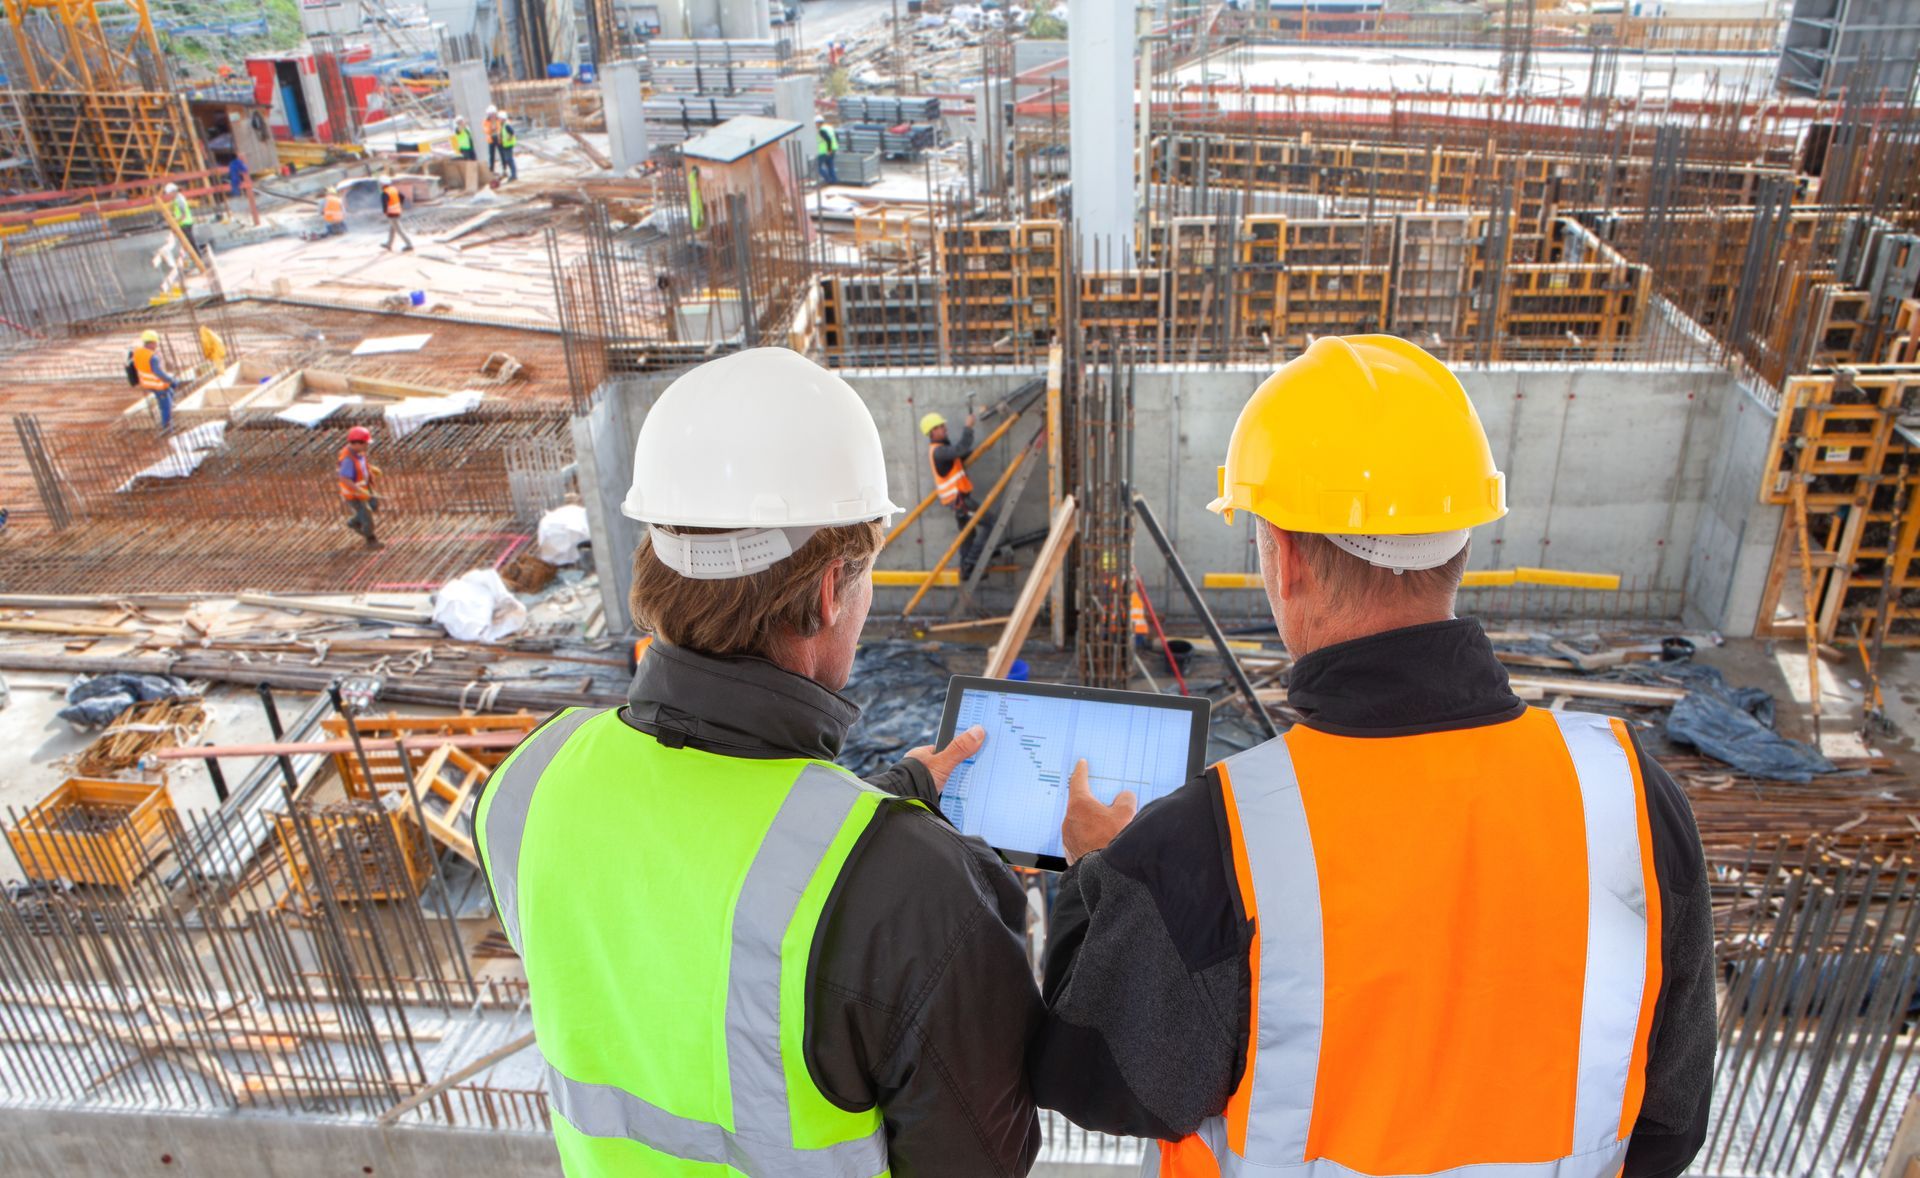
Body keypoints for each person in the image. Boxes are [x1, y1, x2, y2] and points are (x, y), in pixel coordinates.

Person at [1034, 335, 1716, 1178]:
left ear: (1282, 559)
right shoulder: (1630, 798)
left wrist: (1096, 874)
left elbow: (1093, 1076)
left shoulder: (1212, 843)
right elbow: (1671, 1121)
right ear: (1461, 543)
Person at [474, 348, 1043, 1178]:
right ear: (826, 594)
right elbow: (984, 1161)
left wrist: (897, 804)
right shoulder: (920, 894)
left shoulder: (529, 782)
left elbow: (695, 911)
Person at [921, 409, 996, 581]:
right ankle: (971, 562)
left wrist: (977, 450)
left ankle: (966, 569)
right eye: (940, 427)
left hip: (957, 501)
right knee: (991, 522)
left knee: (968, 534)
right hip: (959, 501)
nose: (945, 428)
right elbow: (960, 449)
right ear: (932, 432)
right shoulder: (939, 451)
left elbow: (958, 456)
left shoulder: (943, 450)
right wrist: (968, 427)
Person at [336, 425, 381, 547]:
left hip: (364, 489)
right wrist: (359, 490)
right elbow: (344, 478)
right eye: (365, 443)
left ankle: (353, 521)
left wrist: (371, 469)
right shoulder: (348, 459)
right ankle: (370, 539)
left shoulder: (358, 452)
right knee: (366, 516)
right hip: (354, 494)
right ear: (357, 443)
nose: (367, 446)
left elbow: (360, 466)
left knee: (373, 504)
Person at [130, 329, 178, 431]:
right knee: (166, 407)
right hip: (157, 385)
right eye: (156, 343)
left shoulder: (138, 352)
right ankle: (167, 428)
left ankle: (167, 404)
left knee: (170, 391)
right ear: (151, 343)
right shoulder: (152, 357)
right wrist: (170, 379)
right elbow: (158, 373)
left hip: (146, 382)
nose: (156, 345)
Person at [380, 175, 414, 252]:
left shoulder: (385, 193)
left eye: (381, 183)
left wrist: (385, 212)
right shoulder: (393, 189)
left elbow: (384, 205)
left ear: (382, 184)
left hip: (391, 213)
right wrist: (399, 205)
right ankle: (389, 244)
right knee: (392, 228)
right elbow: (402, 197)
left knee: (399, 230)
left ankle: (409, 244)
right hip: (397, 211)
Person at [164, 182, 198, 259]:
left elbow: (183, 215)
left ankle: (198, 259)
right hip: (183, 223)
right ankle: (196, 258)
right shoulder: (176, 199)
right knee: (189, 243)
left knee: (191, 243)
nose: (168, 196)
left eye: (168, 194)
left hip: (185, 224)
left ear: (173, 192)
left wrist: (174, 221)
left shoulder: (179, 200)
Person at [816, 115, 839, 186]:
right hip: (833, 149)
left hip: (824, 151)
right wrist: (833, 148)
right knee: (830, 165)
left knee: (818, 167)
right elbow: (836, 136)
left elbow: (828, 139)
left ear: (818, 123)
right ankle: (834, 180)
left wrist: (829, 150)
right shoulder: (830, 127)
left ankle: (828, 179)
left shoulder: (822, 130)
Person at [496, 111, 519, 182]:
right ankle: (513, 174)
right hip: (506, 145)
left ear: (503, 118)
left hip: (508, 145)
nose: (498, 120)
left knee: (509, 160)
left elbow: (512, 132)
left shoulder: (506, 125)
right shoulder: (503, 125)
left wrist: (509, 138)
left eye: (499, 118)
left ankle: (514, 175)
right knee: (508, 159)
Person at [484, 105, 502, 173]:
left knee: (502, 154)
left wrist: (497, 130)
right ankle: (491, 170)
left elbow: (500, 128)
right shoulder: (486, 121)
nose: (492, 116)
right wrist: (491, 129)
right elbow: (486, 130)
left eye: (493, 114)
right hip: (491, 140)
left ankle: (504, 168)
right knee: (491, 156)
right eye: (490, 114)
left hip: (498, 139)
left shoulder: (498, 120)